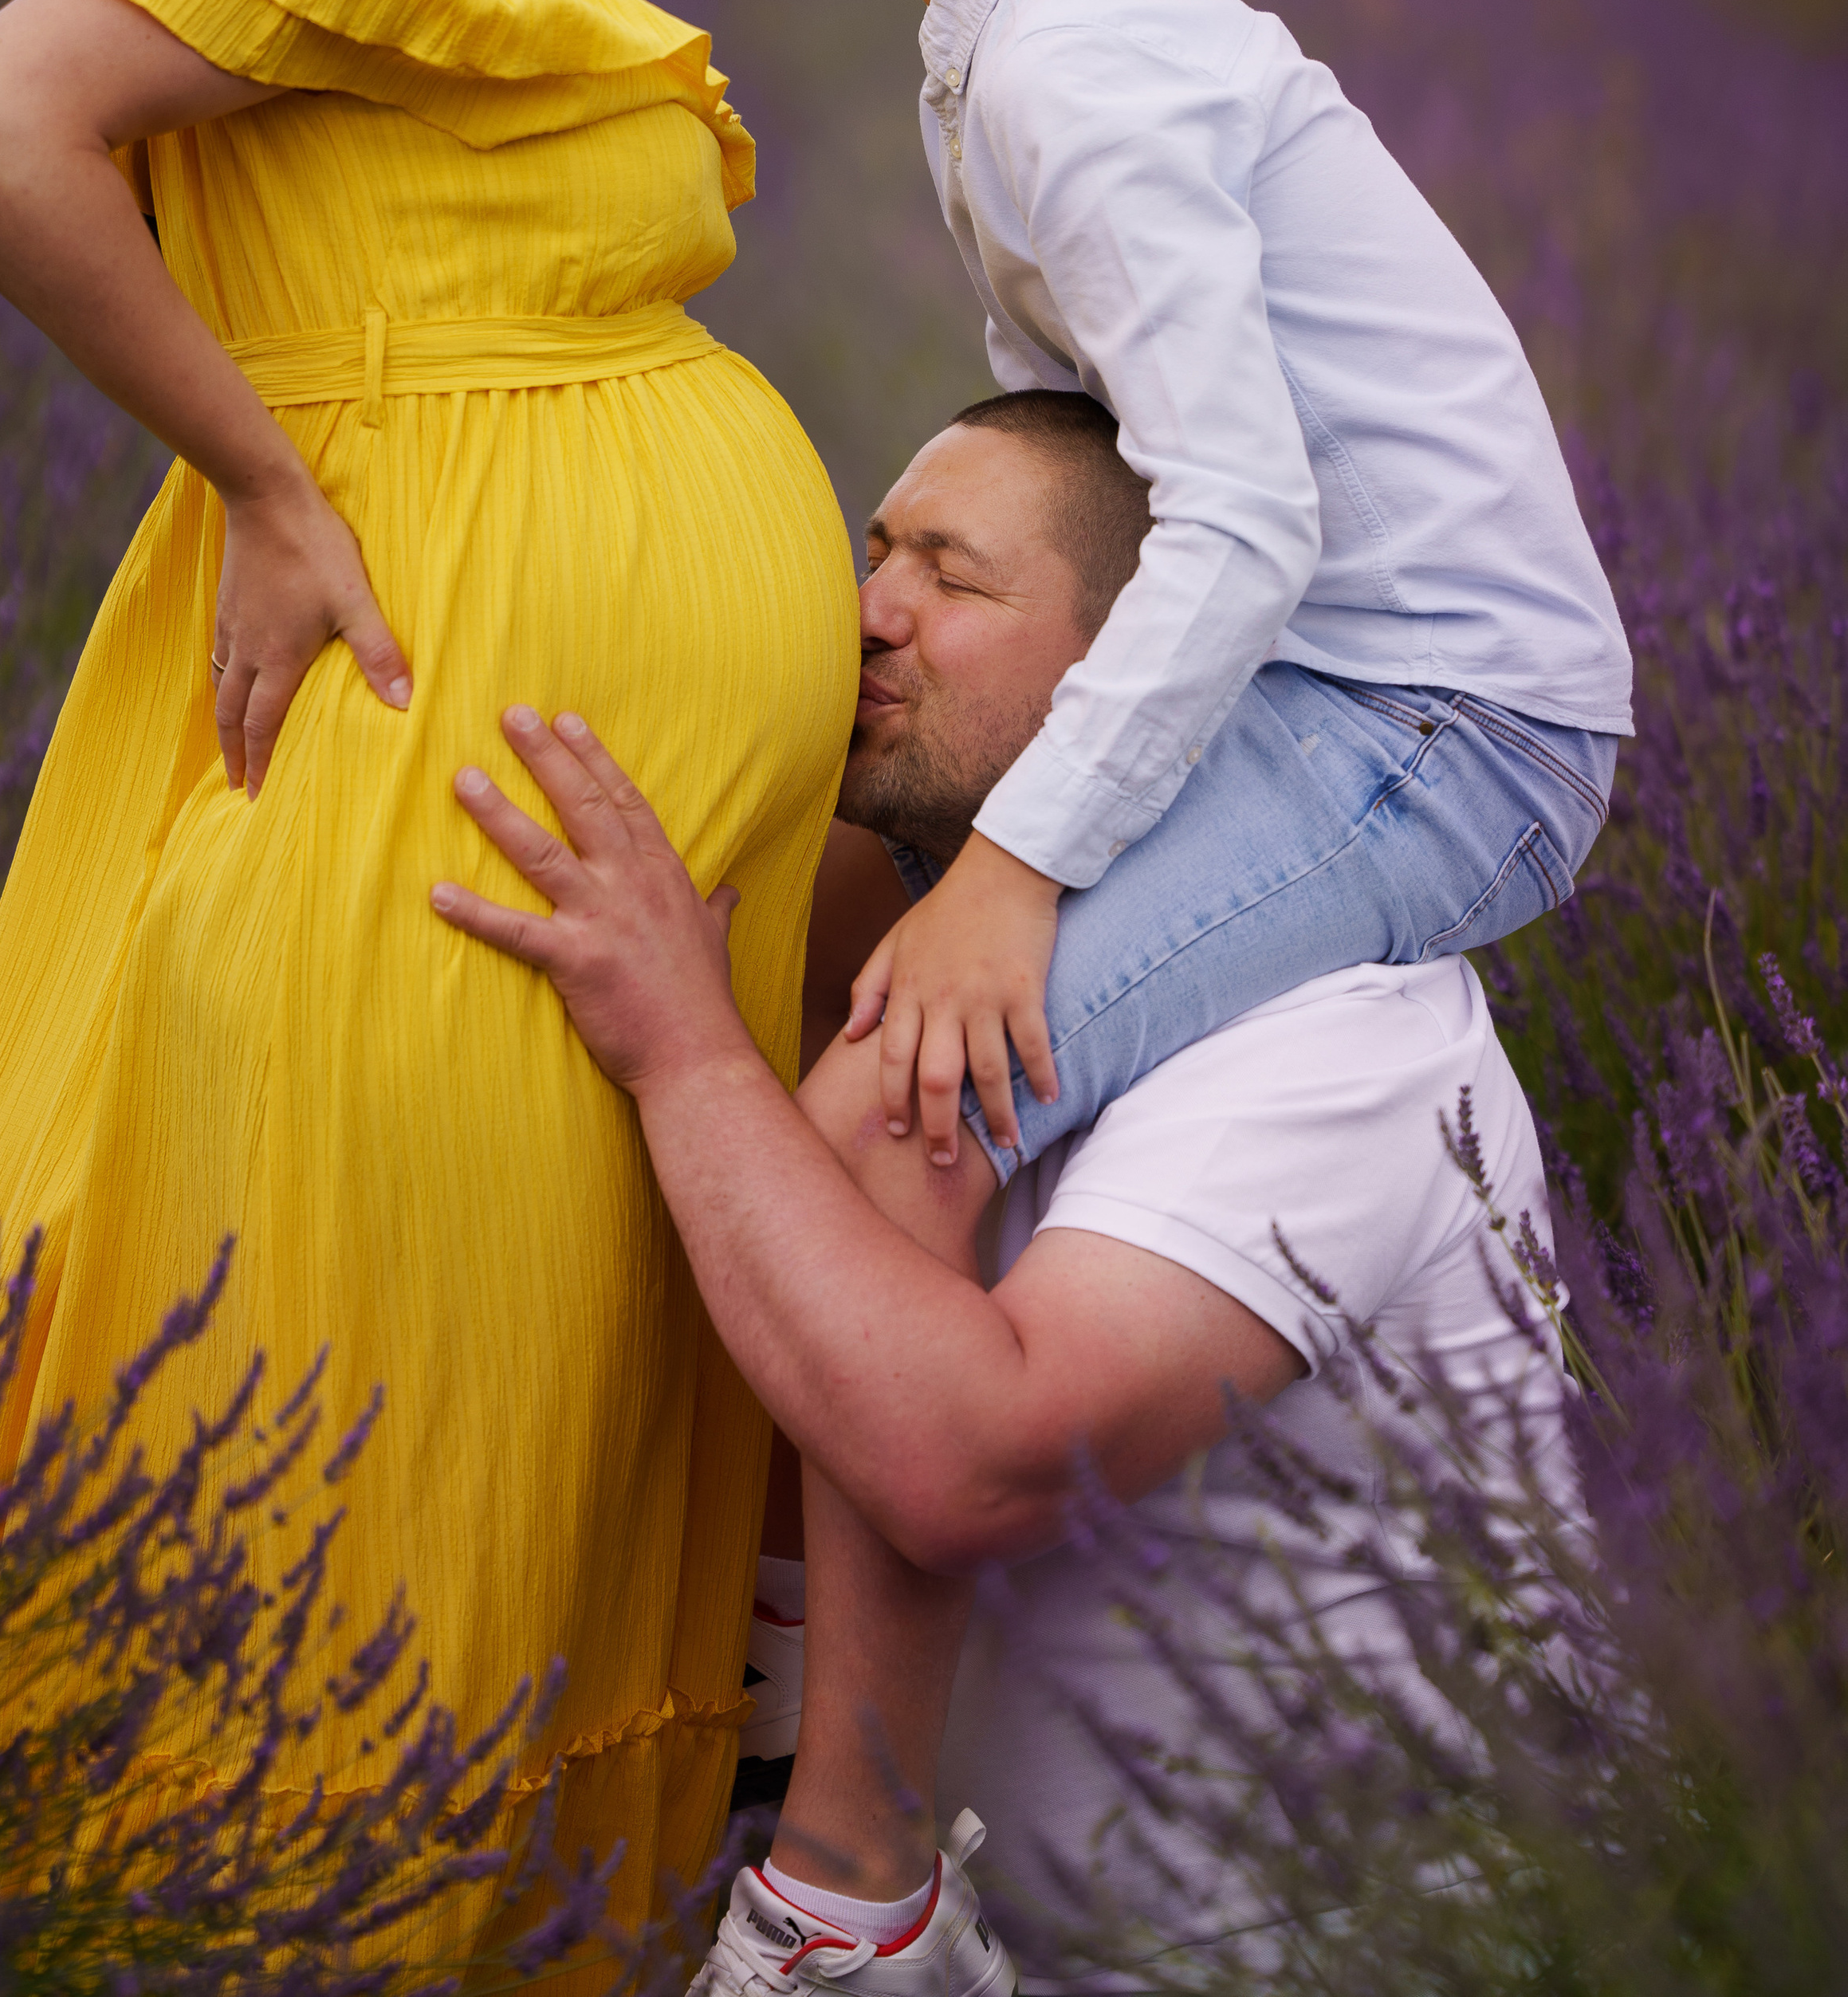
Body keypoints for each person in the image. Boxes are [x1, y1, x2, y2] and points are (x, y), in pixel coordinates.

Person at [0, 0, 859, 1956]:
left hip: (556, 816)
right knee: (406, 1434)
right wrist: (273, 480)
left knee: (534, 1456)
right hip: (425, 796)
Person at [429, 402, 1574, 1992]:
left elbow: (975, 1464)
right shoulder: (898, 929)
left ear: (1143, 677)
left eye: (952, 582)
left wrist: (689, 1062)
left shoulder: (1335, 1037)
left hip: (1326, 1940)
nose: (868, 609)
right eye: (871, 552)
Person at [761, 0, 1633, 1189]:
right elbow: (1108, 477)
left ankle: (953, 1457)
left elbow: (1238, 514)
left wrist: (1007, 876)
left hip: (1440, 729)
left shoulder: (1082, 62)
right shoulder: (1031, 24)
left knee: (888, 1118)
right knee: (786, 933)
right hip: (1303, 674)